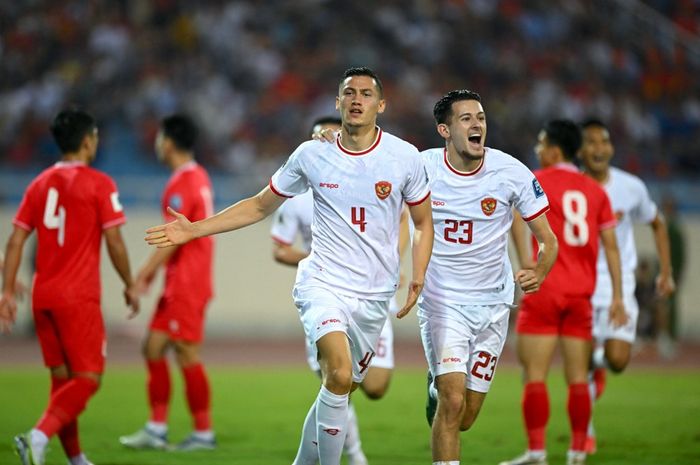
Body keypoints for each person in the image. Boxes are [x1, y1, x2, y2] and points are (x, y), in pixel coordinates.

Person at [145, 67, 434, 465]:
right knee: (337, 374)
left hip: (374, 294)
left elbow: (422, 222)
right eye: (349, 92)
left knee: (344, 386)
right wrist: (196, 229)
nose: (356, 99)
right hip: (323, 283)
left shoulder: (403, 157)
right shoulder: (311, 155)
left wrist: (419, 273)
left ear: (380, 105)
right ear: (337, 102)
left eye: (366, 93)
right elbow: (259, 204)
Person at [314, 89, 559, 465]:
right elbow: (364, 162)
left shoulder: (511, 172)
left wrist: (540, 270)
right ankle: (442, 393)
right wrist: (329, 143)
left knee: (467, 415)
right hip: (442, 302)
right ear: (444, 129)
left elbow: (549, 240)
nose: (477, 124)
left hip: (493, 305)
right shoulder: (420, 166)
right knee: (454, 398)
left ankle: (435, 390)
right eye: (466, 119)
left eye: (480, 118)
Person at [0, 108, 139, 465]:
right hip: (77, 297)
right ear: (88, 140)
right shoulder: (99, 183)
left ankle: (75, 458)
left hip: (42, 296)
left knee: (62, 383)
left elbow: (15, 241)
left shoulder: (38, 183)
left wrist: (5, 292)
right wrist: (129, 283)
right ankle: (38, 435)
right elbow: (116, 243)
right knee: (89, 379)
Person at [501, 120, 625, 465]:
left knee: (534, 375)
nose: (538, 149)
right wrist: (617, 295)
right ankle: (576, 452)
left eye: (542, 143)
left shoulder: (535, 181)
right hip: (580, 294)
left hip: (544, 288)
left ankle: (537, 451)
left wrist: (526, 262)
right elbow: (611, 247)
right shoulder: (596, 191)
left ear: (554, 149)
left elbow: (514, 220)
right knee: (577, 379)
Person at [577, 118, 675, 452]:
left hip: (621, 284)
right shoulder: (572, 186)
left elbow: (657, 223)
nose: (598, 148)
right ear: (580, 150)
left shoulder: (631, 187)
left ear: (611, 147)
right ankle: (585, 432)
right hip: (584, 285)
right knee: (583, 359)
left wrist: (666, 272)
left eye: (603, 141)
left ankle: (599, 369)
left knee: (617, 360)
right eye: (590, 142)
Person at [119, 115, 216, 451]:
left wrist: (141, 276)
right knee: (153, 347)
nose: (157, 143)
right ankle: (156, 428)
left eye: (160, 138)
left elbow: (172, 238)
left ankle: (203, 433)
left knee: (187, 353)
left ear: (170, 142)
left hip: (187, 282)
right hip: (183, 280)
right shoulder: (198, 176)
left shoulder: (181, 183)